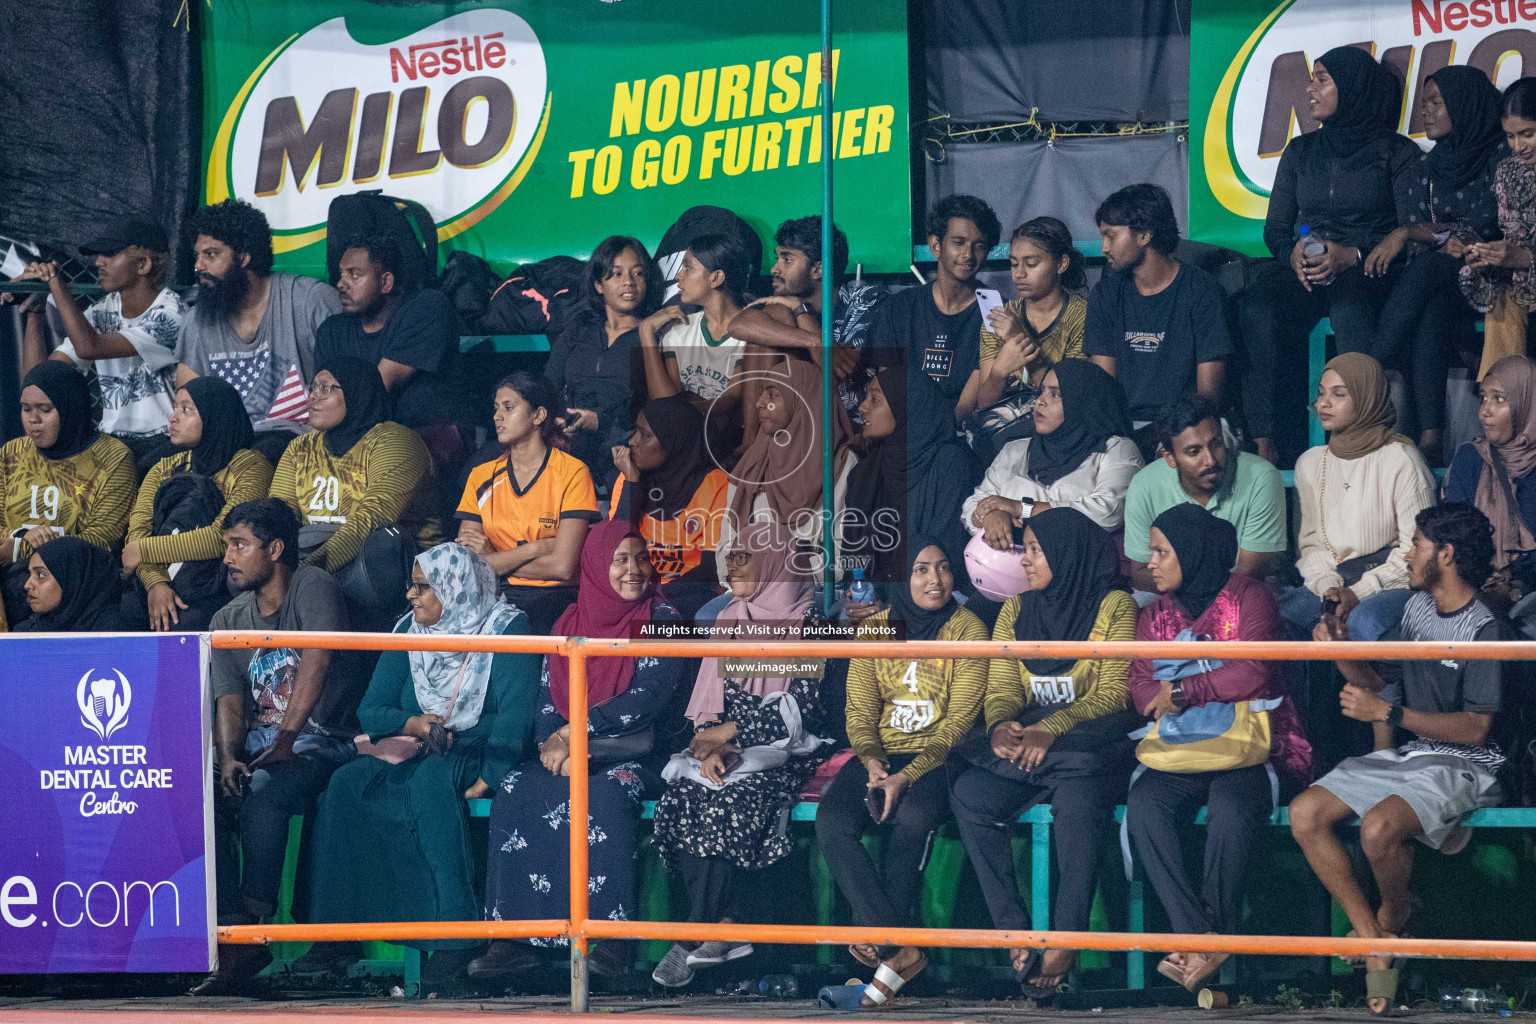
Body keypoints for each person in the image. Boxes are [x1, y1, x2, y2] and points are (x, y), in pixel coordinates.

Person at [1290, 503, 1507, 1016]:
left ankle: (1394, 915)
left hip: (1467, 764)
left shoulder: (1486, 627)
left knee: (1378, 828)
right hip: (1414, 754)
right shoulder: (1415, 610)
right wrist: (1340, 652)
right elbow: (1378, 683)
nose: (1407, 554)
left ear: (1446, 554)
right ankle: (1376, 941)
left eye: (1416, 544)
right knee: (1305, 814)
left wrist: (1389, 711)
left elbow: (1477, 729)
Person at [297, 543, 540, 986]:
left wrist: (488, 779)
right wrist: (411, 721)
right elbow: (372, 710)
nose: (411, 595)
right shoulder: (409, 629)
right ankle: (335, 933)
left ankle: (452, 940)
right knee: (347, 784)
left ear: (456, 588)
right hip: (411, 743)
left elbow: (515, 715)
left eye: (422, 586)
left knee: (430, 786)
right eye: (412, 585)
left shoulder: (507, 629)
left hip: (473, 748)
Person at [472, 522, 689, 982]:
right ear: (594, 565)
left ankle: (609, 943)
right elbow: (548, 697)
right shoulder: (569, 622)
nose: (634, 570)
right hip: (570, 749)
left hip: (637, 753)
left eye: (640, 559)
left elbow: (647, 698)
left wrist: (576, 732)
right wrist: (557, 744)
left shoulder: (662, 617)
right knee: (515, 789)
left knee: (608, 796)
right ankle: (513, 939)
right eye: (620, 560)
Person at [950, 509, 1141, 1000]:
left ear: (1067, 554)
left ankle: (1067, 938)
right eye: (1025, 550)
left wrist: (1049, 729)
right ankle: (1014, 933)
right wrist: (1000, 725)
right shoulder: (1016, 609)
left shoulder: (1114, 606)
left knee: (1079, 809)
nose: (1026, 561)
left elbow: (1114, 694)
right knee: (971, 795)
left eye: (1035, 550)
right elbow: (1000, 683)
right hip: (1031, 747)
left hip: (1087, 745)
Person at [1125, 504, 1312, 994]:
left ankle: (1203, 939)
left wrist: (1183, 691)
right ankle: (1203, 937)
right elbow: (1142, 688)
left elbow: (1254, 671)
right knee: (1145, 807)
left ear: (1194, 553)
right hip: (1181, 748)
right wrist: (1185, 689)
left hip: (1253, 746)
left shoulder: (1250, 597)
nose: (1152, 564)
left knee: (1231, 807)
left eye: (1162, 552)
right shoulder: (1153, 615)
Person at [650, 522, 831, 988]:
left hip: (785, 754)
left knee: (731, 799)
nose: (731, 566)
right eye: (730, 557)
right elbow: (702, 719)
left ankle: (698, 931)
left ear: (775, 564)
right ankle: (722, 926)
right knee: (683, 796)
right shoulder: (728, 620)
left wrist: (727, 739)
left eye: (744, 557)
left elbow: (801, 716)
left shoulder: (809, 626)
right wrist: (707, 749)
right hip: (729, 755)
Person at [194, 499, 364, 996]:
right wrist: (228, 759)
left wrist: (287, 739)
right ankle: (232, 933)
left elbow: (318, 657)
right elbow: (228, 698)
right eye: (227, 545)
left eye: (239, 545)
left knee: (264, 791)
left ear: (275, 548)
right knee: (200, 796)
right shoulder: (228, 618)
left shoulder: (312, 586)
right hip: (262, 745)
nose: (228, 556)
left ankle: (254, 922)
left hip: (320, 742)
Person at [815, 540, 986, 1008]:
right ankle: (895, 946)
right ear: (901, 580)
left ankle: (883, 946)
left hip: (940, 757)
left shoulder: (968, 630)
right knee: (832, 821)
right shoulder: (876, 629)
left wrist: (905, 776)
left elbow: (958, 722)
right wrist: (871, 761)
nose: (935, 580)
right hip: (882, 753)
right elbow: (860, 710)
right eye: (921, 570)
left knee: (912, 819)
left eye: (944, 568)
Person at [1239, 47, 1418, 464]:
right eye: (1312, 78)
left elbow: (1413, 231)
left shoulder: (1394, 151)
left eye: (1321, 79)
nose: (1309, 88)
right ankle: (1265, 440)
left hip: (1367, 267)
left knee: (1350, 308)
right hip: (1309, 270)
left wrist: (1352, 254)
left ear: (1352, 89)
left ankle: (1362, 435)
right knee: (1257, 309)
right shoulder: (1301, 152)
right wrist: (1294, 255)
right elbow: (1276, 230)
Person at [1365, 66, 1504, 460]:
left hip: (1498, 276)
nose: (1425, 112)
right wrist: (1424, 236)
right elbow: (1421, 226)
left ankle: (1367, 381)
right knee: (1431, 307)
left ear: (1464, 107)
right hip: (1446, 282)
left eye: (1436, 104)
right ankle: (1430, 437)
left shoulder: (1500, 158)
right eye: (1423, 104)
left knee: (1428, 273)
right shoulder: (1431, 165)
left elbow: (1486, 228)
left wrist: (1414, 233)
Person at [271, 358, 440, 629]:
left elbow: (371, 520)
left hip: (390, 577)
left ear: (356, 393)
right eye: (312, 388)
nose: (313, 396)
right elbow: (278, 516)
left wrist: (302, 575)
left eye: (326, 388)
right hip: (319, 571)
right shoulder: (299, 447)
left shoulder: (394, 441)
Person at [174, 199, 342, 462]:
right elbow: (189, 393)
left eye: (211, 254)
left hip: (297, 438)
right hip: (225, 441)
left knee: (258, 456)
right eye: (198, 255)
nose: (198, 265)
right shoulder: (197, 320)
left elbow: (346, 385)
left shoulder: (310, 301)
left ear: (244, 257)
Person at [15, 214, 186, 469]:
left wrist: (54, 283)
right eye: (98, 254)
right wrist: (37, 307)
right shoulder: (104, 310)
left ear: (143, 265)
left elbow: (88, 347)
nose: (98, 262)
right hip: (111, 442)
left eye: (110, 253)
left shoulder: (170, 313)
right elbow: (38, 381)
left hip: (163, 440)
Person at [1288, 354, 1437, 644]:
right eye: (1321, 394)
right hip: (1332, 578)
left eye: (1338, 394)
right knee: (1287, 618)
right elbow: (1311, 544)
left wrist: (1359, 592)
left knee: (1363, 622)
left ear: (1368, 398)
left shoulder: (1402, 461)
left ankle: (1372, 690)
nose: (1323, 404)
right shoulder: (1310, 463)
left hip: (1393, 581)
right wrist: (1329, 589)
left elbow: (1418, 552)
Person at [1084, 184, 1232, 453]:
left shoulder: (1202, 292)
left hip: (1188, 428)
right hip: (1124, 430)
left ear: (1143, 235)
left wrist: (1163, 436)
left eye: (1111, 236)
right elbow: (1103, 390)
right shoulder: (1105, 294)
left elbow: (1208, 399)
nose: (1104, 247)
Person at [121, 376, 274, 631]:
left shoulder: (251, 467)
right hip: (161, 578)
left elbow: (223, 536)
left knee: (186, 622)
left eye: (186, 409)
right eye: (174, 408)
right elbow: (137, 534)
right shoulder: (164, 467)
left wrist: (145, 550)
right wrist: (155, 584)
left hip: (215, 581)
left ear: (215, 417)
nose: (173, 418)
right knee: (121, 615)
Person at [456, 373, 600, 633]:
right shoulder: (481, 475)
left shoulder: (573, 473)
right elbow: (470, 565)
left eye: (508, 408)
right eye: (496, 408)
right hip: (492, 594)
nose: (497, 416)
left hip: (552, 599)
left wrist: (495, 560)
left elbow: (563, 568)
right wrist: (535, 549)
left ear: (538, 415)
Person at [0, 362, 135, 628]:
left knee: (20, 587)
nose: (33, 419)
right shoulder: (11, 453)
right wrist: (18, 537)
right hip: (11, 569)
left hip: (75, 584)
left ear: (70, 408)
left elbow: (100, 539)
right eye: (26, 409)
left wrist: (20, 548)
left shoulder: (113, 458)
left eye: (45, 409)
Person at [962, 359, 1141, 548]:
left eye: (1055, 394)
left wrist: (1021, 508)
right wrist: (990, 515)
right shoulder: (1015, 449)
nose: (1040, 401)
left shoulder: (1116, 450)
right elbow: (974, 503)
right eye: (1041, 391)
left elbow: (1108, 513)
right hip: (1013, 568)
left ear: (1083, 402)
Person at [1121, 395, 1287, 594]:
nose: (1210, 460)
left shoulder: (1261, 477)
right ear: (1170, 458)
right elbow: (1140, 574)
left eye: (1216, 444)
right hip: (1170, 599)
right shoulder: (1144, 484)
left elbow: (1249, 574)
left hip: (1240, 598)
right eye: (1194, 451)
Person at [719, 357, 854, 585]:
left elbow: (840, 559)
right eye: (762, 394)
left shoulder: (841, 463)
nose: (759, 403)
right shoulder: (754, 461)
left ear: (804, 400)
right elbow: (726, 543)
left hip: (808, 592)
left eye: (773, 395)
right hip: (750, 591)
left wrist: (773, 575)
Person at [869, 195, 1002, 422]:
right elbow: (889, 384)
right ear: (935, 246)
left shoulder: (996, 312)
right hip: (905, 427)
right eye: (958, 243)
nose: (968, 255)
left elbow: (966, 406)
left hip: (957, 435)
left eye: (978, 246)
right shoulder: (899, 308)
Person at [845, 365, 978, 588]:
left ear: (907, 407)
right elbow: (853, 559)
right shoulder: (864, 474)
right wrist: (858, 596)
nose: (862, 407)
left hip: (934, 595)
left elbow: (945, 555)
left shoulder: (949, 463)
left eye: (875, 400)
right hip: (877, 596)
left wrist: (895, 601)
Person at [545, 235, 663, 487]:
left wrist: (601, 421)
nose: (629, 283)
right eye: (616, 274)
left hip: (625, 439)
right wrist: (556, 419)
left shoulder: (655, 334)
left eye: (638, 274)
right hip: (571, 438)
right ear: (598, 284)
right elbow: (547, 386)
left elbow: (658, 404)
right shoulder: (578, 330)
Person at [314, 235, 462, 432]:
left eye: (354, 274)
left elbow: (378, 390)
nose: (341, 284)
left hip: (426, 437)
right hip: (356, 437)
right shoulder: (332, 330)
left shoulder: (426, 308)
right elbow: (324, 402)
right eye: (341, 274)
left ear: (386, 282)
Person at [729, 217, 875, 416]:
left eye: (787, 259)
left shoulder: (863, 302)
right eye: (777, 258)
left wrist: (801, 312)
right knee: (771, 327)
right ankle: (753, 443)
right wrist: (814, 340)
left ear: (818, 269)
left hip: (848, 421)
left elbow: (844, 373)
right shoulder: (784, 304)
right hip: (800, 418)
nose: (774, 269)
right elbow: (738, 325)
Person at [972, 216, 1088, 461]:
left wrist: (1019, 337)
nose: (1019, 274)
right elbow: (984, 403)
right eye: (1014, 264)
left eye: (1031, 264)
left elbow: (1071, 400)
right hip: (1002, 434)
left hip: (1062, 432)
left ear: (1061, 263)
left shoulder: (1082, 316)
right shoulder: (998, 318)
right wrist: (999, 372)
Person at [609, 394, 728, 619]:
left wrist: (657, 596)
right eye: (636, 431)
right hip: (636, 588)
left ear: (674, 440)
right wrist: (632, 484)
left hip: (690, 593)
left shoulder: (717, 484)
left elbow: (711, 568)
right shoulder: (629, 478)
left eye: (645, 435)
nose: (633, 441)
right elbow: (615, 547)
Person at [1443, 355, 1536, 608]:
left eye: (1499, 399)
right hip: (1473, 588)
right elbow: (1455, 535)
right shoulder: (1469, 458)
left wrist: (1518, 588)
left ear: (1528, 403)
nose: (1484, 412)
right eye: (1483, 397)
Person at [1462, 78, 1536, 378]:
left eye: (1527, 134)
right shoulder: (1508, 170)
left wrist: (1525, 258)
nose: (1518, 147)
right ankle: (1504, 405)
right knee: (1503, 297)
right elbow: (1514, 236)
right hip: (1523, 279)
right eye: (1510, 137)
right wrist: (1490, 257)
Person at [640, 232, 749, 406]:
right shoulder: (678, 331)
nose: (678, 275)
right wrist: (646, 332)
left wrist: (685, 411)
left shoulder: (752, 333)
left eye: (687, 267)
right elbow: (666, 404)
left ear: (716, 278)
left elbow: (732, 401)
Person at [12, 537, 126, 632]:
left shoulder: (112, 633)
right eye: (30, 574)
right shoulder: (26, 631)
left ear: (73, 578)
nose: (27, 585)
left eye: (41, 575)